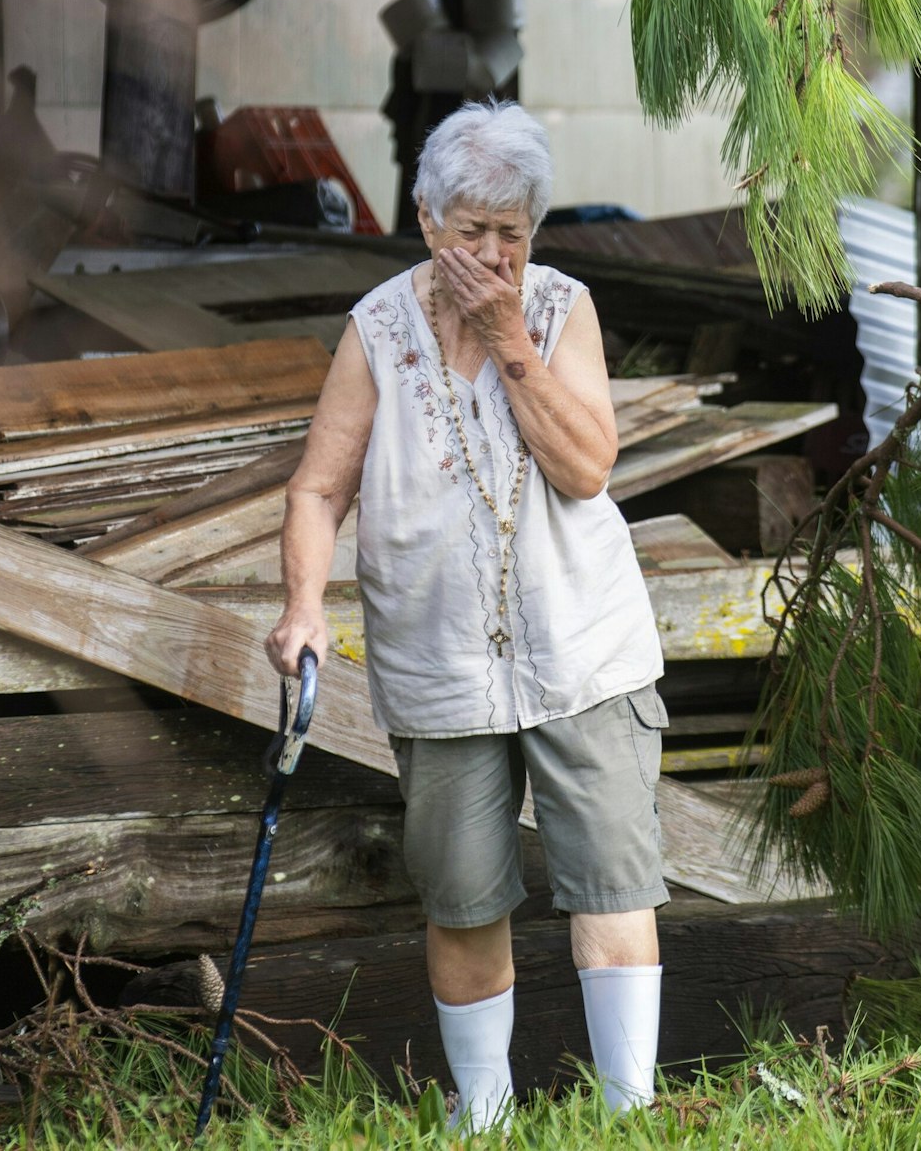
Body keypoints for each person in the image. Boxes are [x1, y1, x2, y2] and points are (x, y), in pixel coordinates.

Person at [265, 100, 668, 1129]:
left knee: (611, 880)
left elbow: (586, 465)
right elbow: (317, 489)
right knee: (461, 892)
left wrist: (508, 339)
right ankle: (480, 1114)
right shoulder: (378, 327)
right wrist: (303, 608)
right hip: (437, 658)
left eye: (511, 234)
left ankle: (627, 1115)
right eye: (469, 232)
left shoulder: (560, 308)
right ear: (423, 217)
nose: (490, 255)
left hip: (581, 646)